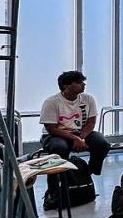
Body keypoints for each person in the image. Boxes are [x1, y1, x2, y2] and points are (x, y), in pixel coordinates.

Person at [39, 71, 110, 202]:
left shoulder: (88, 99)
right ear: (66, 86)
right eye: (78, 82)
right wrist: (75, 139)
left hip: (81, 132)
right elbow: (51, 128)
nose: (83, 84)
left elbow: (91, 122)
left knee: (102, 144)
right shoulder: (51, 102)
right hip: (56, 134)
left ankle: (86, 173)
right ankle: (54, 188)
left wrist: (81, 138)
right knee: (59, 149)